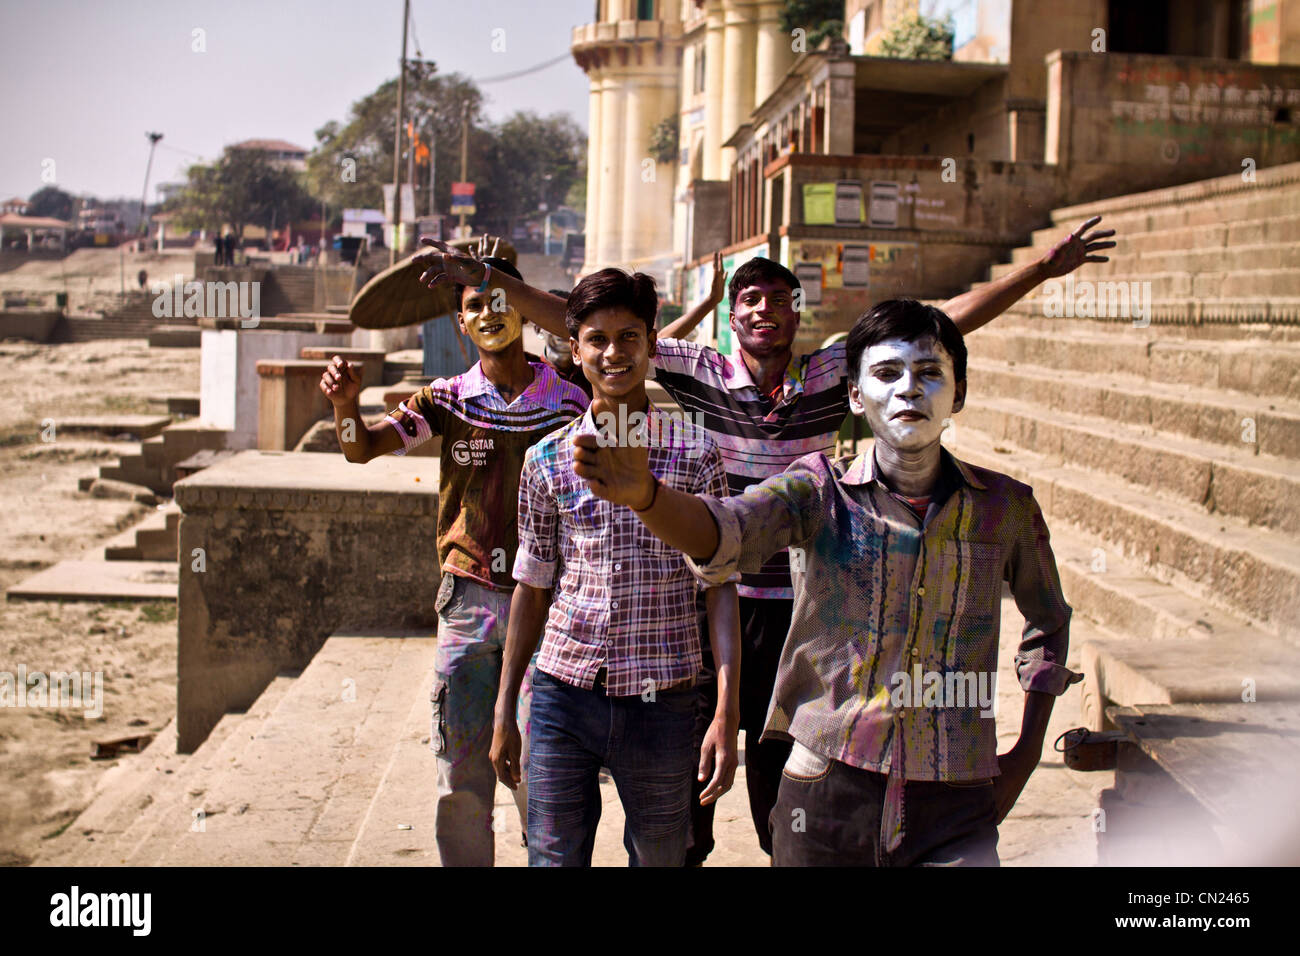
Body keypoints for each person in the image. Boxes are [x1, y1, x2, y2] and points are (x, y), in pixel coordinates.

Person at [413, 215, 1113, 859]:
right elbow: (587, 327)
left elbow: (936, 329)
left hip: (803, 608)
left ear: (795, 314)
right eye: (747, 299)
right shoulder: (698, 372)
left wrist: (1040, 270)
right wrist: (486, 280)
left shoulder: (832, 374)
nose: (761, 310)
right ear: (732, 315)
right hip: (713, 595)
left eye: (777, 299)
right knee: (684, 799)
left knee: (784, 786)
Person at [572, 298, 1083, 866]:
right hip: (826, 791)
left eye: (930, 373)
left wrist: (1027, 751)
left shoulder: (1006, 508)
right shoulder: (818, 490)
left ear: (958, 394)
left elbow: (1049, 620)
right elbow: (727, 532)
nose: (909, 390)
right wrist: (647, 497)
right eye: (887, 374)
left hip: (956, 798)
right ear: (855, 398)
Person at [318, 254, 589, 867]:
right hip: (466, 604)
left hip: (550, 607)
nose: (489, 314)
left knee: (541, 774)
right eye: (473, 307)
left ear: (519, 309)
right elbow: (361, 450)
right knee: (460, 774)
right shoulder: (445, 398)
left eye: (499, 301)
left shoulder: (570, 403)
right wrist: (343, 408)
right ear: (459, 324)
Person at [488, 267, 741, 867]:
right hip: (561, 692)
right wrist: (506, 706)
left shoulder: (696, 453)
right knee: (551, 856)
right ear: (574, 351)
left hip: (665, 698)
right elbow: (532, 584)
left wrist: (726, 711)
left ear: (652, 344)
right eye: (597, 339)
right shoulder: (548, 459)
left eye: (629, 337)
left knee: (659, 856)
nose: (614, 353)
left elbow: (720, 586)